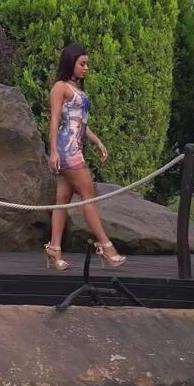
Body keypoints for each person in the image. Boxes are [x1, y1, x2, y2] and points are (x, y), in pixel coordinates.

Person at [44, 44, 126, 270]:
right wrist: (53, 150)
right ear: (70, 63)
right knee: (88, 196)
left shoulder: (76, 88)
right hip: (67, 149)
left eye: (86, 63)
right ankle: (106, 247)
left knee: (62, 200)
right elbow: (55, 120)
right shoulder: (60, 87)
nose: (86, 68)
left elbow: (81, 123)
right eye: (82, 63)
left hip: (74, 147)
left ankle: (54, 248)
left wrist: (97, 141)